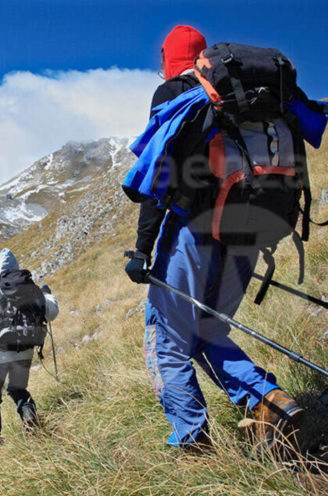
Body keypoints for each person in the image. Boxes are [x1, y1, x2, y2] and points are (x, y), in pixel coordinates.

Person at [123, 25, 303, 449]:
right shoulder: (244, 96)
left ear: (169, 58)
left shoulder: (177, 92)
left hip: (195, 231)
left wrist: (142, 249)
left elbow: (161, 173)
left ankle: (193, 443)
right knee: (207, 332)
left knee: (167, 340)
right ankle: (271, 403)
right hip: (250, 232)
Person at [0, 248, 59, 444]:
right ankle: (31, 421)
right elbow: (52, 312)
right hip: (25, 348)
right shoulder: (31, 288)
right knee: (18, 389)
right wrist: (47, 295)